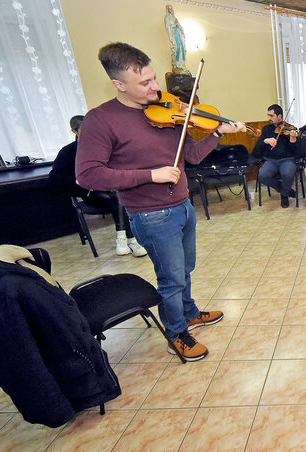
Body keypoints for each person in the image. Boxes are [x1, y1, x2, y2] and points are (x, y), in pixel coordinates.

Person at [76, 42, 246, 361]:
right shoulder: (101, 120)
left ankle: (190, 312)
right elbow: (87, 175)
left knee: (185, 268)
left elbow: (191, 155)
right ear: (119, 84)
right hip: (151, 215)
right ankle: (176, 332)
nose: (156, 87)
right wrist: (149, 175)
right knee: (170, 278)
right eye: (145, 83)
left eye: (154, 78)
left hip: (183, 205)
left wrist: (217, 134)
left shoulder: (167, 108)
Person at [50, 115, 147, 257]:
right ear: (74, 131)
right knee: (119, 198)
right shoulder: (68, 151)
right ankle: (131, 240)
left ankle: (122, 238)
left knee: (118, 195)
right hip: (90, 193)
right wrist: (76, 180)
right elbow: (55, 177)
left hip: (112, 189)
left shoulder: (103, 146)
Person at [252, 104, 301, 208]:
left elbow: (296, 152)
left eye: (271, 116)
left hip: (287, 160)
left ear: (280, 117)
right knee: (262, 175)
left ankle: (284, 196)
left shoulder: (289, 129)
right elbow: (257, 149)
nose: (269, 118)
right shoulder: (266, 129)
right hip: (271, 160)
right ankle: (285, 190)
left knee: (288, 173)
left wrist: (293, 140)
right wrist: (265, 141)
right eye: (268, 115)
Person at [164, 5, 188, 74]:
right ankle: (177, 66)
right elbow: (168, 27)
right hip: (174, 34)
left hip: (178, 33)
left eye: (171, 9)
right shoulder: (167, 18)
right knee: (177, 49)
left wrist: (178, 25)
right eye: (169, 9)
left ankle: (182, 66)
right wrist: (174, 25)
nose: (171, 10)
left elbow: (179, 26)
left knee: (182, 48)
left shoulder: (174, 17)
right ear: (167, 10)